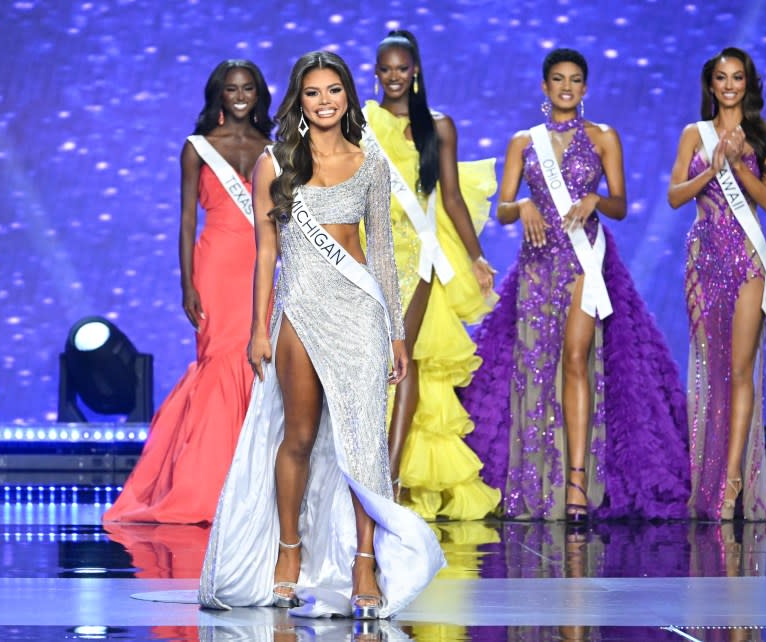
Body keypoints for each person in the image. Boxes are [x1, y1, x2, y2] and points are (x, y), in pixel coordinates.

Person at [198, 51, 444, 619]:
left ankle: (364, 562)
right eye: (314, 92)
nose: (326, 100)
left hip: (359, 312)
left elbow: (380, 252)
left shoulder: (370, 162)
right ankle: (290, 551)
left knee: (363, 446)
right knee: (300, 438)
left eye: (335, 90)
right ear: (299, 99)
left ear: (348, 97)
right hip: (300, 310)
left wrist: (396, 335)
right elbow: (267, 253)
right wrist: (259, 328)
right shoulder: (274, 162)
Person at [460, 48, 689, 521]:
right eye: (558, 79)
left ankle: (578, 483)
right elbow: (502, 209)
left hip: (585, 262)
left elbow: (621, 204)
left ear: (585, 88)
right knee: (535, 369)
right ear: (545, 87)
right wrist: (520, 207)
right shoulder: (524, 142)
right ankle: (536, 482)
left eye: (576, 80)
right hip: (537, 269)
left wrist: (595, 199)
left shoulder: (604, 137)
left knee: (577, 360)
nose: (567, 87)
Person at [103, 59, 272, 524]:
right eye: (232, 88)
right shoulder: (197, 148)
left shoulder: (273, 148)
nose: (240, 95)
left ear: (258, 94)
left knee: (257, 365)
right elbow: (185, 221)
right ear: (219, 94)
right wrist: (186, 283)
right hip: (215, 265)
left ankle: (252, 488)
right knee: (220, 361)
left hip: (260, 266)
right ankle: (207, 485)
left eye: (248, 88)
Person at [362, 30, 500, 520]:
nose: (395, 76)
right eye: (387, 68)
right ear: (376, 73)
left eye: (403, 68)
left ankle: (391, 477)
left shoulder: (438, 126)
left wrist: (477, 256)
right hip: (369, 252)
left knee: (407, 357)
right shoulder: (361, 123)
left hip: (418, 257)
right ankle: (365, 467)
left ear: (415, 71)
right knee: (371, 362)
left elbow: (453, 197)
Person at [667, 47, 766, 521]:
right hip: (703, 259)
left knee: (739, 370)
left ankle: (732, 486)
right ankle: (706, 481)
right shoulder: (695, 135)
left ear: (747, 83)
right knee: (711, 373)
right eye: (721, 77)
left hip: (747, 259)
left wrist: (734, 166)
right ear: (710, 84)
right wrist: (711, 169)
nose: (729, 84)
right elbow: (675, 196)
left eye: (737, 77)